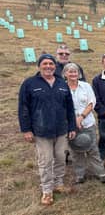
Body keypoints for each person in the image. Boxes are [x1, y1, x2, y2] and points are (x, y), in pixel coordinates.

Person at [18, 54, 76, 205]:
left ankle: (58, 184)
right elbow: (23, 108)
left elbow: (69, 108)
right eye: (45, 64)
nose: (48, 66)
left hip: (61, 130)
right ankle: (47, 190)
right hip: (41, 131)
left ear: (55, 66)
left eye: (51, 64)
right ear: (39, 66)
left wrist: (72, 126)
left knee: (61, 159)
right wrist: (26, 129)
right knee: (45, 161)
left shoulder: (62, 83)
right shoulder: (29, 84)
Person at [63, 63, 105, 184]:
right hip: (70, 125)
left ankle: (101, 173)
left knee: (92, 148)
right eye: (70, 72)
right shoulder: (62, 88)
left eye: (75, 72)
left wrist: (81, 117)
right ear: (65, 74)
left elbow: (91, 102)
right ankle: (80, 175)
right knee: (75, 150)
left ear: (79, 74)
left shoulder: (86, 86)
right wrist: (73, 121)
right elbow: (61, 107)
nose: (73, 74)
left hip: (87, 123)